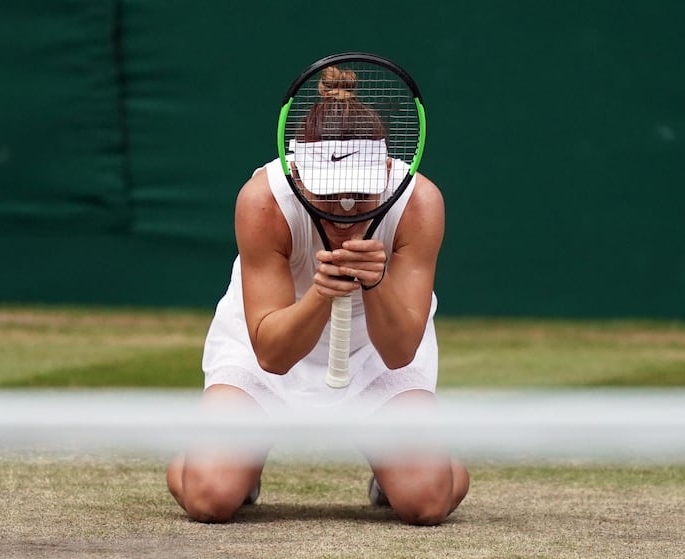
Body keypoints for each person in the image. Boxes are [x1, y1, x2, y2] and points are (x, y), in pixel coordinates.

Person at [166, 66, 469, 526]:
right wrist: (320, 296)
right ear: (297, 175)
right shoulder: (262, 201)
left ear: (386, 170)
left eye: (360, 194)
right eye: (328, 196)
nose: (345, 211)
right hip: (267, 351)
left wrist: (374, 282)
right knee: (209, 497)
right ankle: (227, 457)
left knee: (427, 502)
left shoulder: (419, 203)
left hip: (377, 359)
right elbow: (270, 354)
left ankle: (421, 465)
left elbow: (401, 350)